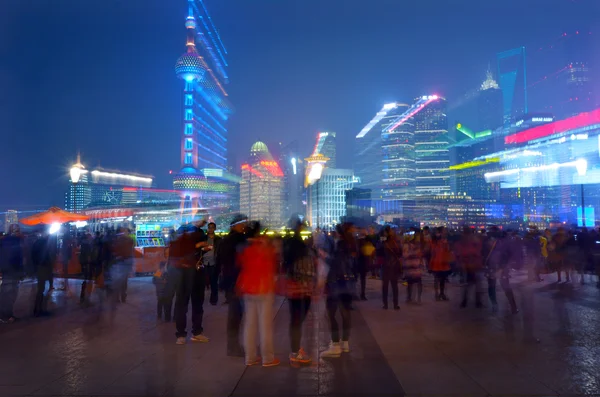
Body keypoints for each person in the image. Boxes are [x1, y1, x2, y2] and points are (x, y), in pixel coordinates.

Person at [237, 221, 280, 367]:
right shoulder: (265, 246)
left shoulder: (244, 247)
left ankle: (250, 357)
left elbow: (240, 264)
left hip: (248, 287)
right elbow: (273, 263)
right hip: (264, 287)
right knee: (265, 325)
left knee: (249, 324)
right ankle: (267, 358)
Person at [283, 217, 317, 365]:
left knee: (296, 319)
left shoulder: (290, 242)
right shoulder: (297, 244)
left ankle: (295, 350)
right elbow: (304, 267)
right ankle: (295, 352)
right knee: (297, 320)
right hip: (301, 287)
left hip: (294, 286)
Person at [321, 223, 356, 358]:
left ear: (338, 233)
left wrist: (324, 256)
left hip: (336, 283)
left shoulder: (340, 245)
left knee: (330, 314)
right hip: (348, 282)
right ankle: (345, 343)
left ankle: (335, 345)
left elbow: (336, 263)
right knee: (345, 313)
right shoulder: (351, 244)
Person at [171, 224, 209, 345]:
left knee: (197, 304)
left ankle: (196, 332)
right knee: (183, 305)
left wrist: (202, 248)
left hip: (196, 272)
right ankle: (181, 334)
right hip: (184, 273)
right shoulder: (183, 234)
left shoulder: (199, 232)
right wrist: (196, 246)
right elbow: (178, 251)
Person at [217, 214, 248, 356]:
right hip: (238, 281)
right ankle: (234, 346)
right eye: (242, 223)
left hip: (230, 280)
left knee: (234, 315)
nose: (244, 226)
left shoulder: (225, 240)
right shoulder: (240, 240)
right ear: (234, 225)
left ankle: (232, 345)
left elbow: (220, 261)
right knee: (236, 315)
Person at [0, 225, 24, 323]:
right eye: (18, 230)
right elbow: (13, 258)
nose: (20, 232)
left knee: (8, 294)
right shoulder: (13, 241)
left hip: (9, 271)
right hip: (11, 272)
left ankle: (6, 315)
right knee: (9, 295)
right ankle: (5, 316)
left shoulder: (7, 241)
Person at [457, 227, 484, 308]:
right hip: (474, 265)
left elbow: (460, 254)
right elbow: (478, 251)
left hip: (469, 266)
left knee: (467, 285)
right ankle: (477, 302)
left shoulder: (463, 242)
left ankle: (465, 301)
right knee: (476, 285)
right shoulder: (475, 241)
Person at [31, 229, 55, 316]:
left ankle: (38, 309)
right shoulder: (43, 243)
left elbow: (33, 255)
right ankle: (39, 310)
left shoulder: (38, 242)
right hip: (43, 266)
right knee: (41, 288)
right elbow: (46, 255)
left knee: (41, 288)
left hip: (41, 266)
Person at [381, 227, 401, 310]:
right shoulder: (393, 241)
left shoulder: (388, 241)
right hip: (392, 265)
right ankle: (394, 304)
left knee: (388, 286)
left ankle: (387, 304)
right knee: (393, 286)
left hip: (388, 265)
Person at [201, 222, 221, 305]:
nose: (211, 229)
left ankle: (214, 300)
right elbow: (199, 249)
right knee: (202, 282)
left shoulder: (218, 239)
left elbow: (220, 251)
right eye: (209, 227)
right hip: (204, 262)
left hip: (213, 263)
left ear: (215, 228)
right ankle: (200, 299)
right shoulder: (203, 238)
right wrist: (203, 248)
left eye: (212, 227)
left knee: (214, 282)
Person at [430, 226, 451, 301]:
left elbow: (447, 250)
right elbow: (433, 251)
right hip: (438, 262)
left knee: (442, 279)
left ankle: (441, 294)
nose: (446, 231)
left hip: (442, 262)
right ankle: (438, 294)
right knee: (438, 278)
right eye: (444, 230)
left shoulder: (444, 240)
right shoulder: (436, 240)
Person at [403, 229, 424, 304]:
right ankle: (409, 297)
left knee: (418, 282)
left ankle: (418, 298)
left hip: (416, 266)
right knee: (410, 283)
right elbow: (405, 255)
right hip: (410, 265)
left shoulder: (419, 247)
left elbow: (420, 255)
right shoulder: (407, 245)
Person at [79, 232, 94, 304]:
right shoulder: (87, 245)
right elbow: (88, 256)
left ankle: (83, 297)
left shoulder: (83, 244)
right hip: (87, 264)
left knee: (85, 280)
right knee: (88, 280)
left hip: (84, 263)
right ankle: (86, 297)